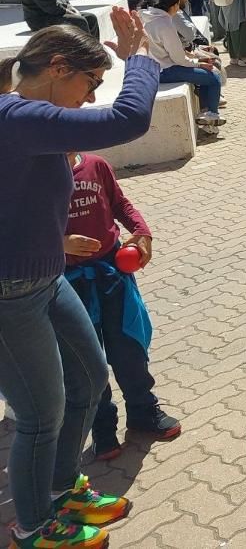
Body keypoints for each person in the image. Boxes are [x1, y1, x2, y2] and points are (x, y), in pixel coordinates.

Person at [0, 9, 157, 549]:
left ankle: (64, 490)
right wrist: (138, 57)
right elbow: (129, 119)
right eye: (89, 83)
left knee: (88, 381)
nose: (90, 98)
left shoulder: (26, 120)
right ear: (59, 66)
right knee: (40, 416)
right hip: (9, 296)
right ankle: (34, 527)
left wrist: (55, 242)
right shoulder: (19, 117)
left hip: (47, 277)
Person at [63, 150, 180, 460]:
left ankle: (142, 410)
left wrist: (142, 233)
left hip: (112, 274)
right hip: (69, 283)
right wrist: (59, 243)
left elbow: (120, 204)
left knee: (129, 347)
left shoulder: (96, 166)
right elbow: (22, 229)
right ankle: (102, 427)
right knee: (89, 360)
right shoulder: (35, 176)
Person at [141, 0, 225, 124]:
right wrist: (199, 63)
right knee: (213, 76)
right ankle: (212, 114)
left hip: (154, 68)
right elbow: (178, 58)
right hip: (165, 71)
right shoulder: (165, 24)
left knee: (205, 75)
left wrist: (198, 61)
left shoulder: (149, 19)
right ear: (174, 6)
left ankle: (206, 112)